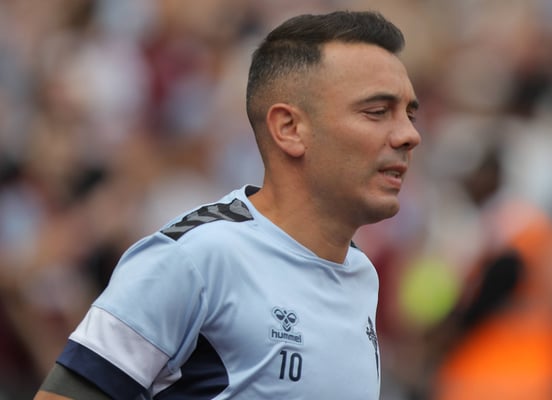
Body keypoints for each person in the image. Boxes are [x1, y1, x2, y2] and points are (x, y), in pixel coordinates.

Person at [34, 9, 421, 400]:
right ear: (289, 128)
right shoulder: (195, 257)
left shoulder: (362, 274)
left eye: (409, 114)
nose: (409, 135)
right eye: (377, 112)